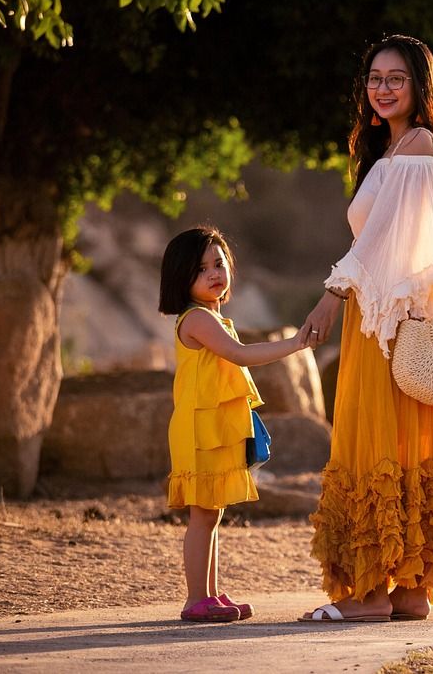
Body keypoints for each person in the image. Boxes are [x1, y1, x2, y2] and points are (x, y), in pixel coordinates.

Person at [298, 34, 433, 623]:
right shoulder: (393, 149)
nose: (382, 88)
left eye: (396, 78)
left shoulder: (419, 145)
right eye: (375, 78)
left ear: (420, 86)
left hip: (387, 324)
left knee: (373, 439)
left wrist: (331, 296)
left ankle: (370, 594)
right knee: (399, 443)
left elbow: (378, 242)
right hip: (393, 317)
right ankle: (408, 592)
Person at [158, 225, 311, 623]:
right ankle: (195, 599)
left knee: (213, 513)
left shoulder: (213, 317)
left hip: (214, 426)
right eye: (201, 268)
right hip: (199, 429)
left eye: (219, 263)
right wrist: (294, 343)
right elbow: (240, 356)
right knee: (202, 514)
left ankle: (208, 594)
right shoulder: (195, 320)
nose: (214, 273)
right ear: (181, 278)